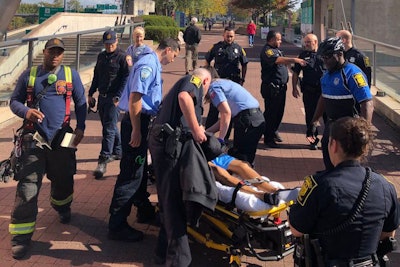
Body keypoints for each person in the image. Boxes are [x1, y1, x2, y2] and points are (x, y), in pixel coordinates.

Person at [8, 38, 87, 259]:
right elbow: (14, 101)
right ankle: (20, 238)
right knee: (28, 187)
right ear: (44, 52)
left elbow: (81, 103)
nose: (55, 55)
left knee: (65, 177)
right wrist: (26, 112)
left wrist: (81, 127)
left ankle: (62, 206)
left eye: (59, 52)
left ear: (63, 55)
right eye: (52, 51)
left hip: (65, 137)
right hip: (33, 137)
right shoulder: (30, 75)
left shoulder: (71, 75)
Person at [289, 116, 399, 266]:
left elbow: (296, 230)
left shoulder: (318, 185)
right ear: (365, 148)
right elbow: (388, 234)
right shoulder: (385, 186)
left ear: (333, 145)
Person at [107, 38, 180, 242]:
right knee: (131, 174)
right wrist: (137, 131)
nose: (173, 60)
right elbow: (135, 99)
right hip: (136, 122)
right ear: (168, 49)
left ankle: (144, 210)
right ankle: (117, 224)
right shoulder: (148, 65)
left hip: (141, 121)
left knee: (138, 172)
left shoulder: (151, 62)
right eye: (174, 55)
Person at [148, 68, 215, 266]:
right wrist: (197, 130)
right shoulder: (193, 79)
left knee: (170, 201)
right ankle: (178, 261)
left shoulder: (191, 84)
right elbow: (184, 97)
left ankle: (162, 252)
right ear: (206, 81)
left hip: (167, 145)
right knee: (173, 203)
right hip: (168, 148)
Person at [308, 37, 374, 170]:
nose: (324, 61)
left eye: (327, 57)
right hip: (331, 126)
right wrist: (314, 121)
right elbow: (323, 98)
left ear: (339, 54)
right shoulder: (326, 75)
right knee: (328, 161)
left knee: (347, 168)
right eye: (322, 58)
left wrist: (365, 130)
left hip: (349, 130)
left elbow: (367, 103)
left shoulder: (352, 74)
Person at [88, 30, 129, 179]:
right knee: (109, 126)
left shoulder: (122, 57)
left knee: (109, 130)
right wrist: (91, 93)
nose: (109, 46)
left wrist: (119, 96)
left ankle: (103, 160)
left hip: (113, 99)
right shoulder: (101, 56)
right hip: (102, 97)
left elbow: (126, 78)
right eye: (106, 44)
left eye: (111, 44)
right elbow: (96, 76)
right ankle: (118, 151)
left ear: (116, 42)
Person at [260, 30, 307, 148]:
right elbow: (278, 60)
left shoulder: (277, 50)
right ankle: (268, 138)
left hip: (280, 87)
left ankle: (274, 131)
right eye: (278, 39)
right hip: (272, 87)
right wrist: (294, 60)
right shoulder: (268, 51)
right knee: (271, 113)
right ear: (271, 40)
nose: (280, 41)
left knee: (279, 113)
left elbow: (285, 64)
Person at [205, 77, 265, 164]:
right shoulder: (225, 83)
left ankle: (247, 176)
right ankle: (249, 175)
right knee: (246, 157)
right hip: (256, 118)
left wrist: (221, 140)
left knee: (241, 158)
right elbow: (225, 118)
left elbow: (226, 113)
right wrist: (207, 132)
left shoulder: (213, 87)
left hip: (247, 120)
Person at [204, 26, 249, 139]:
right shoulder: (216, 47)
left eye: (231, 36)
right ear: (223, 35)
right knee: (213, 111)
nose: (229, 38)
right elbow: (207, 60)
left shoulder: (238, 48)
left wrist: (243, 79)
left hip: (232, 84)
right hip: (218, 83)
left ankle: (225, 138)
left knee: (229, 112)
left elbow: (244, 64)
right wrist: (208, 76)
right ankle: (208, 136)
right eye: (227, 36)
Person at [292, 33, 325, 150]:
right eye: (305, 42)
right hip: (309, 91)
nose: (305, 44)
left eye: (308, 42)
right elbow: (296, 72)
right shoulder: (302, 55)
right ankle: (312, 140)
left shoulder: (324, 54)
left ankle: (327, 141)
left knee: (326, 116)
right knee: (310, 116)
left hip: (324, 92)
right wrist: (294, 87)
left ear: (315, 42)